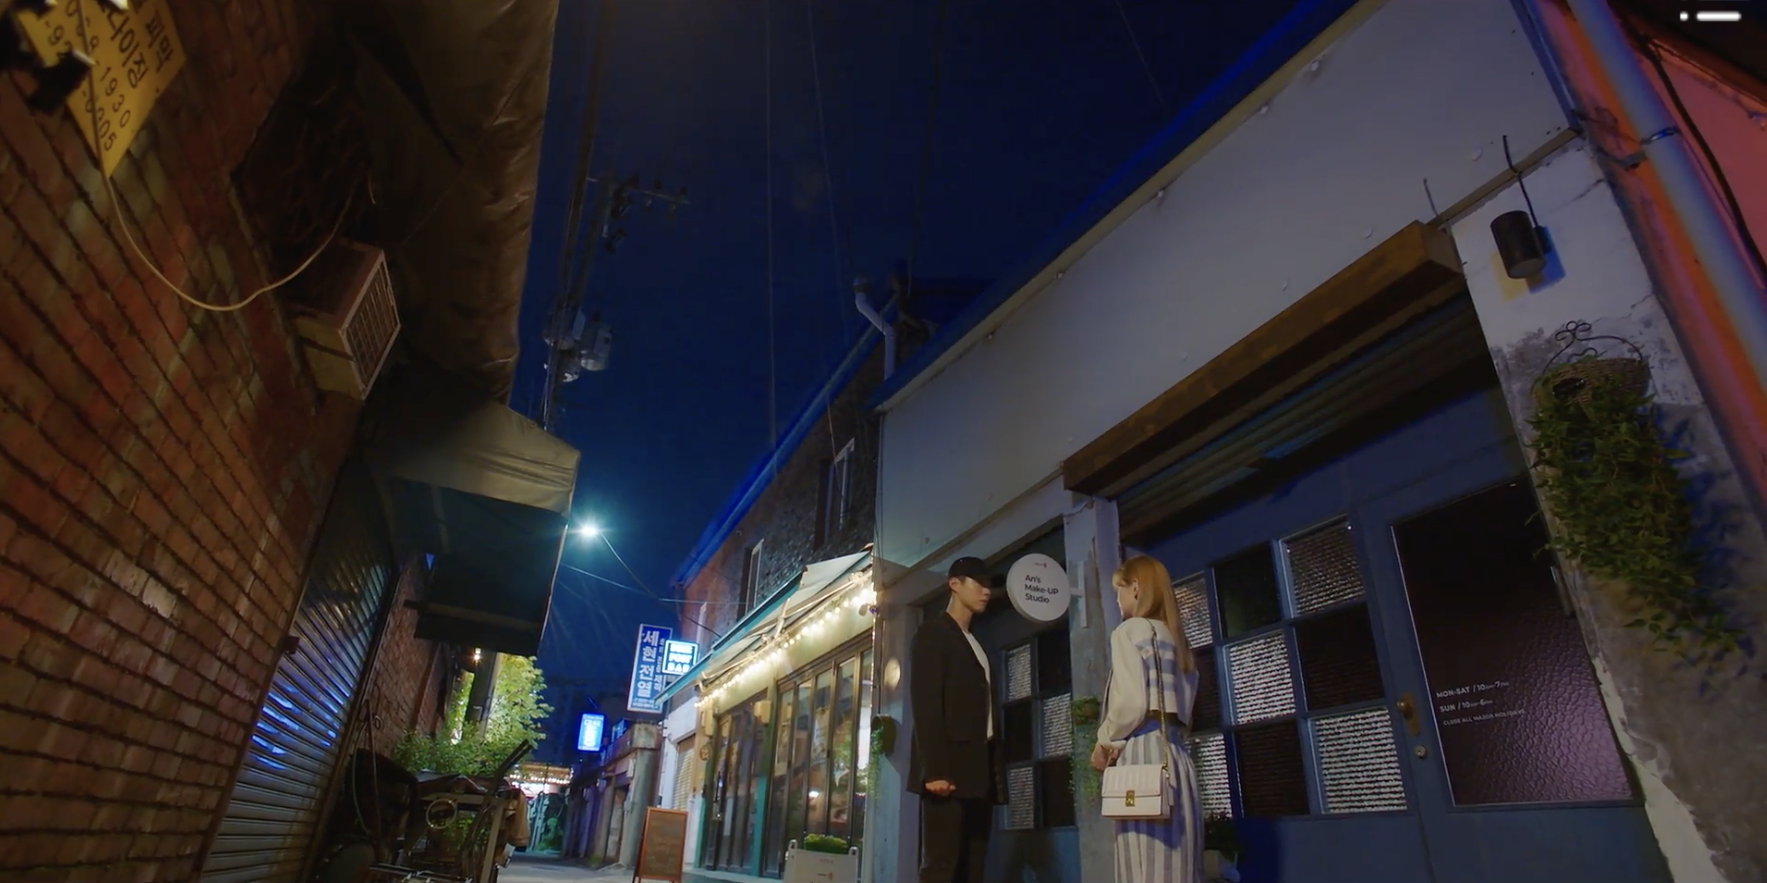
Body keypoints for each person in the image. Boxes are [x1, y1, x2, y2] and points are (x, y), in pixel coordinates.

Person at [1091, 554, 1204, 883]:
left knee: (1143, 867)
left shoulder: (1129, 631)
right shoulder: (1178, 640)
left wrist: (1105, 740)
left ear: (1136, 588)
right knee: (1180, 866)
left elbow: (1132, 703)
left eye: (1120, 589)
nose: (1117, 598)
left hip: (1142, 757)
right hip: (1177, 758)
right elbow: (1185, 710)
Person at [907, 556, 1004, 883]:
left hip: (978, 769)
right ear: (954, 584)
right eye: (978, 583)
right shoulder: (933, 633)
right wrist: (935, 769)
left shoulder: (976, 643)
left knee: (973, 868)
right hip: (947, 768)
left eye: (989, 585)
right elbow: (926, 704)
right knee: (941, 866)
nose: (986, 591)